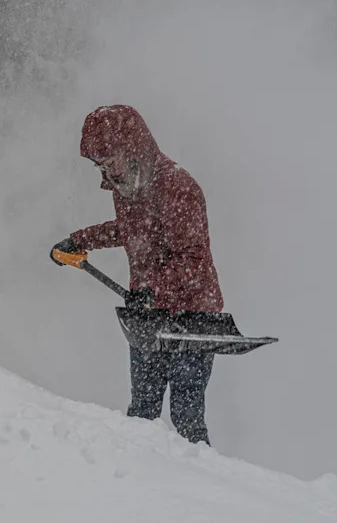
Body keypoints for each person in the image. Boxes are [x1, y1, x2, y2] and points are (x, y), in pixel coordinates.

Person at [52, 104, 223, 445]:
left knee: (186, 419)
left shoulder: (177, 187)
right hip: (147, 315)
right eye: (99, 165)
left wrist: (152, 290)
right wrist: (81, 239)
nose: (106, 170)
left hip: (191, 318)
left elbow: (192, 258)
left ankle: (204, 491)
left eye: (109, 159)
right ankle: (136, 489)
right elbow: (133, 229)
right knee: (141, 414)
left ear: (132, 148)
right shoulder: (126, 184)